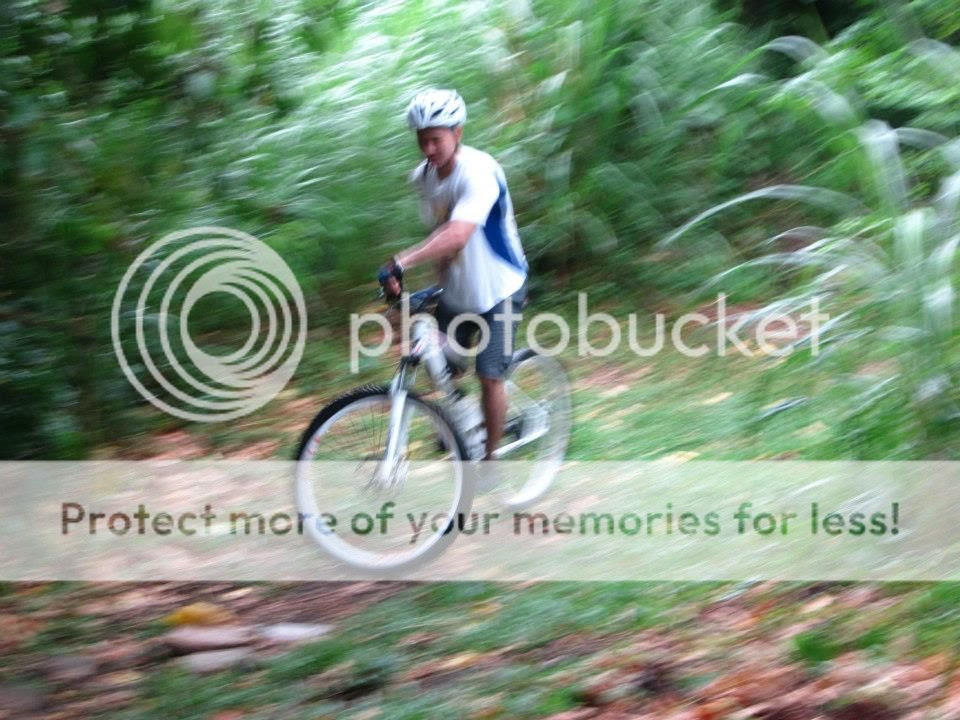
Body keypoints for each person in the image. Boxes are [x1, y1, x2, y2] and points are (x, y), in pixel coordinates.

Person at [379, 88, 528, 461]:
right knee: (438, 360)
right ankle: (464, 421)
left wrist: (402, 261)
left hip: (500, 290)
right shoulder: (423, 178)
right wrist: (436, 287)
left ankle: (489, 460)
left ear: (457, 133)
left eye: (436, 139)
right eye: (422, 139)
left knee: (489, 375)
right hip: (459, 292)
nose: (428, 148)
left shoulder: (478, 172)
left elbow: (458, 234)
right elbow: (440, 234)